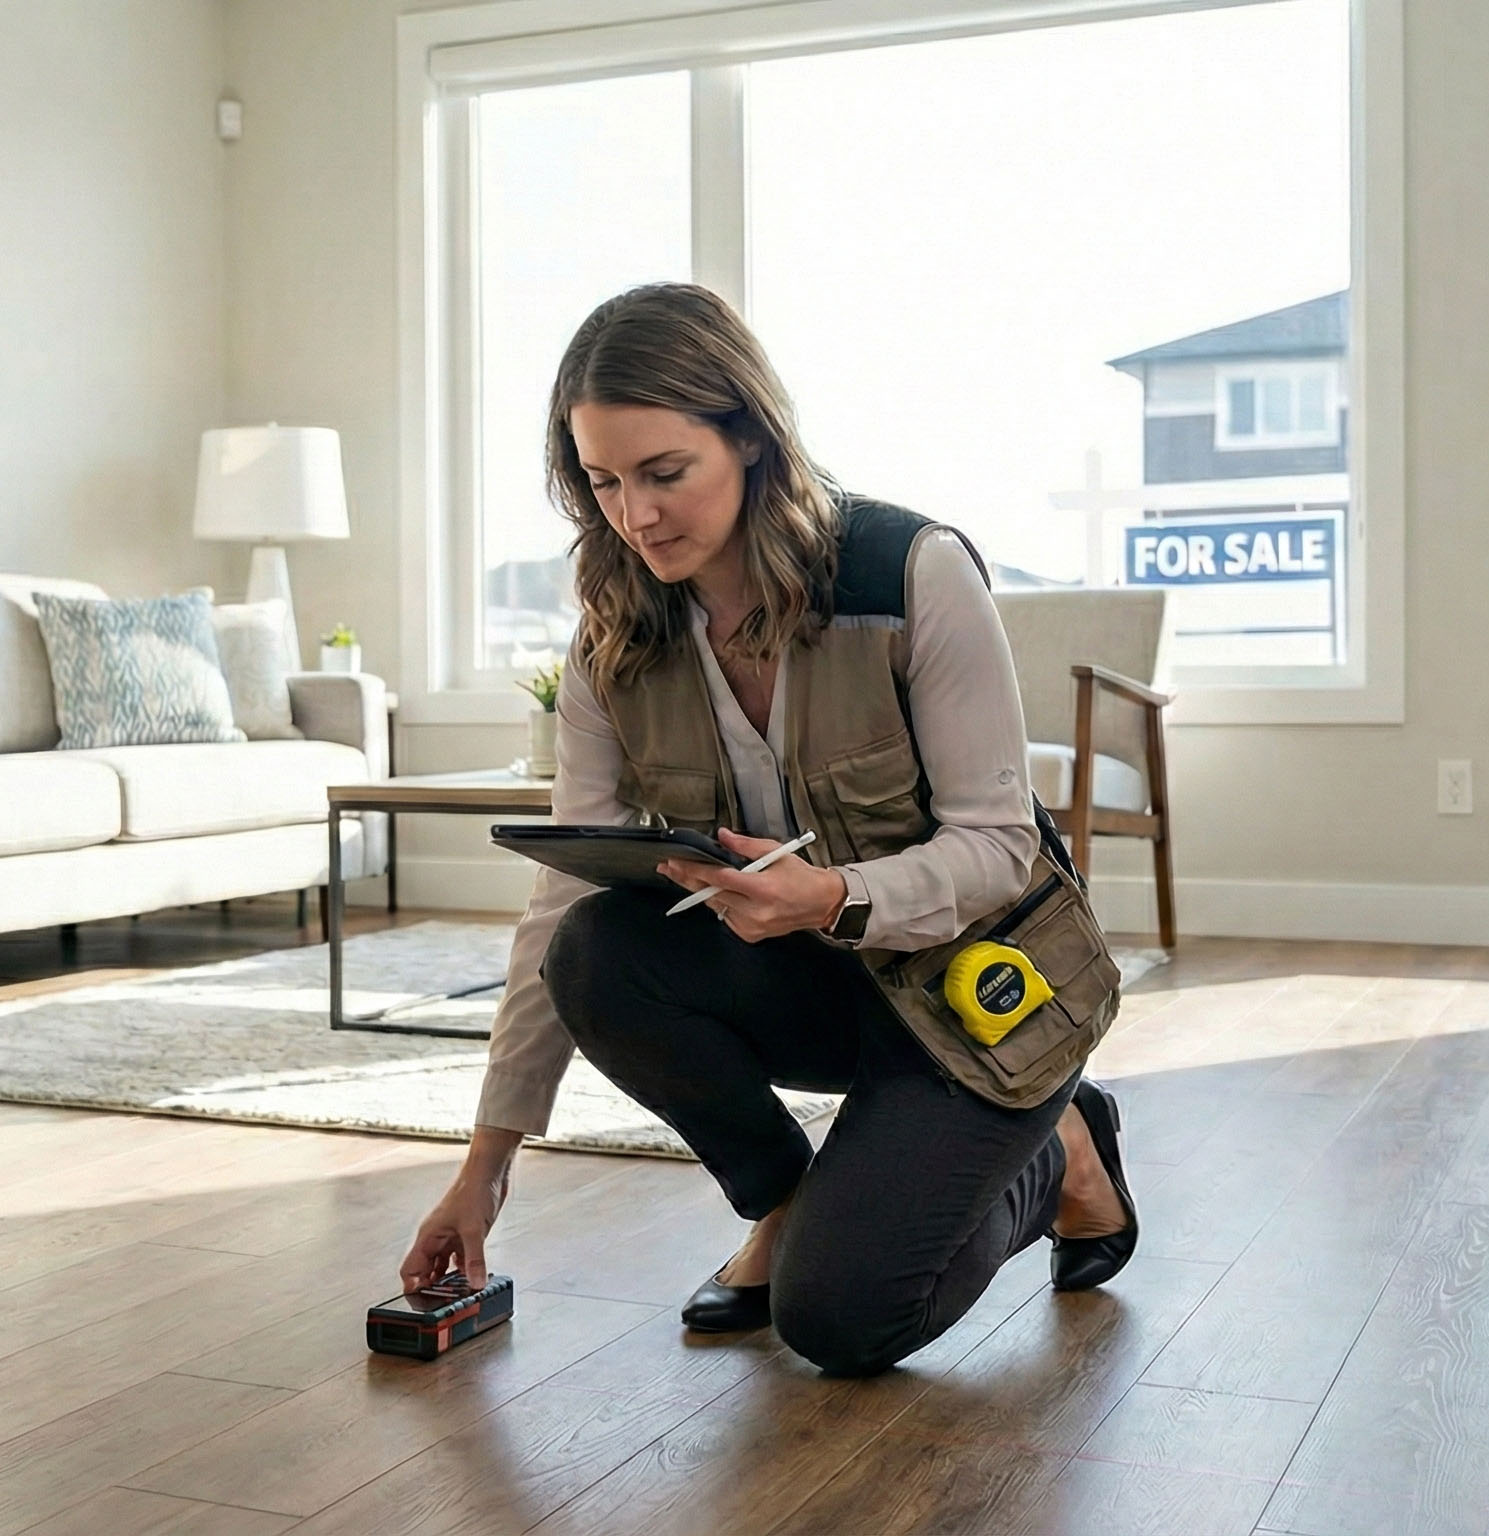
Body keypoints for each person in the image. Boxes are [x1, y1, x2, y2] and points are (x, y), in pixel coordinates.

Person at [395, 282, 1138, 1378]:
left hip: (977, 987)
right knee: (592, 947)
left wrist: (834, 898)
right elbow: (560, 902)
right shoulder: (611, 642)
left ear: (747, 438)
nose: (635, 517)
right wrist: (486, 1166)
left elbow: (997, 848)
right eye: (602, 482)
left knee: (840, 1326)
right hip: (815, 983)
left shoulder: (910, 574)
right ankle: (788, 1206)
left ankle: (1062, 1144)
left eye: (664, 474)